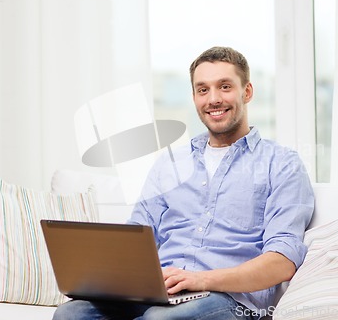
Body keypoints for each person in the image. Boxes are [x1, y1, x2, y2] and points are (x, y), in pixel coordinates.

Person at [53, 46, 314, 320]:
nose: (213, 99)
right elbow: (137, 236)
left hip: (229, 300)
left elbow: (282, 261)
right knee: (71, 314)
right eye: (203, 90)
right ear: (194, 97)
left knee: (159, 319)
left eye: (224, 86)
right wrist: (102, 278)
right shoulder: (170, 164)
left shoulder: (282, 163)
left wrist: (202, 280)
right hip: (158, 294)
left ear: (246, 92)